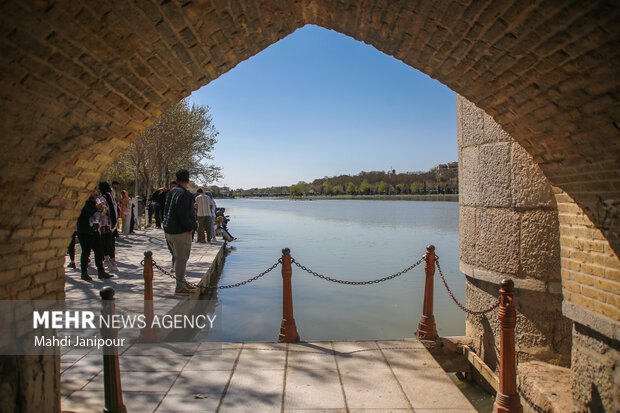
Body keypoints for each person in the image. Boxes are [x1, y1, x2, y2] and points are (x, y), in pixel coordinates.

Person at [163, 170, 197, 295]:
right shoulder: (185, 194)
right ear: (188, 181)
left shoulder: (170, 192)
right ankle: (179, 286)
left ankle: (182, 281)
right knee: (182, 258)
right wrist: (190, 227)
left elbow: (166, 210)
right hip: (180, 232)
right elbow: (183, 214)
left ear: (176, 181)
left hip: (169, 230)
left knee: (178, 258)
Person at [76, 188, 112, 281]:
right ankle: (84, 272)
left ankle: (101, 271)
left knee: (99, 250)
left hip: (94, 229)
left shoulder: (94, 201)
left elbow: (98, 212)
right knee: (86, 252)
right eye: (93, 191)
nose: (95, 193)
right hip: (84, 230)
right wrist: (96, 207)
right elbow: (86, 212)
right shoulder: (82, 201)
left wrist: (101, 209)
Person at [98, 181, 119, 272]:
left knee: (106, 243)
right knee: (109, 243)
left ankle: (112, 262)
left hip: (105, 224)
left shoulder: (103, 198)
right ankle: (107, 260)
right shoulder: (111, 197)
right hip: (111, 224)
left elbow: (103, 211)